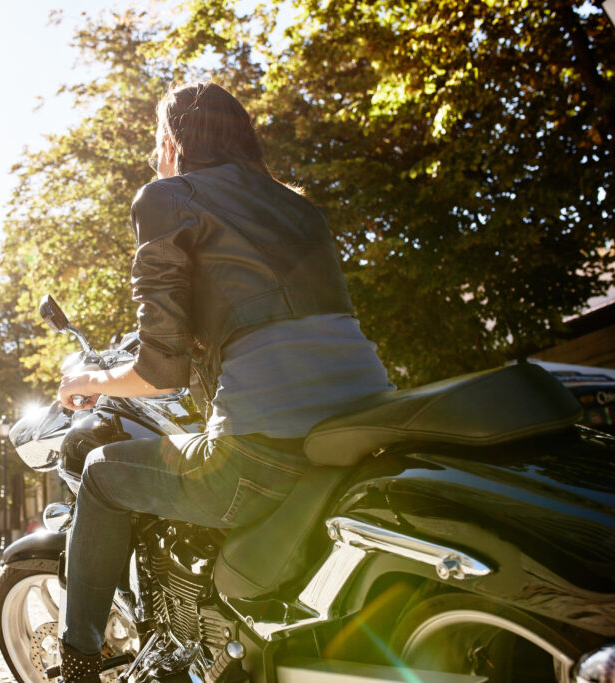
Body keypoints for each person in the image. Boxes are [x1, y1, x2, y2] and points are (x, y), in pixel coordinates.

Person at [55, 82, 395, 682]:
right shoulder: (300, 208)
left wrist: (92, 379)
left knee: (105, 474)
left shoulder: (166, 198)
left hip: (267, 452)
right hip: (368, 425)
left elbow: (162, 370)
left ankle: (79, 663)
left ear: (170, 141)